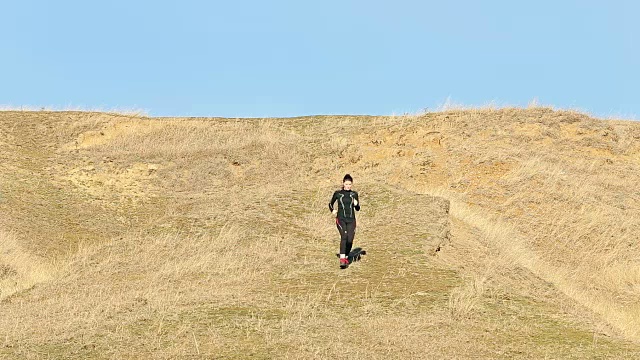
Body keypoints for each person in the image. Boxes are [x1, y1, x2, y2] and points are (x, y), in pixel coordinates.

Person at [328, 174, 360, 268]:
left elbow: (358, 208)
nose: (348, 186)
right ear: (343, 183)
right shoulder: (338, 193)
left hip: (351, 220)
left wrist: (356, 204)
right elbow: (330, 203)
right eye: (346, 184)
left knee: (350, 240)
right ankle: (342, 260)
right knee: (344, 236)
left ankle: (345, 256)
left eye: (350, 184)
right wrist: (332, 210)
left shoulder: (354, 194)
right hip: (341, 219)